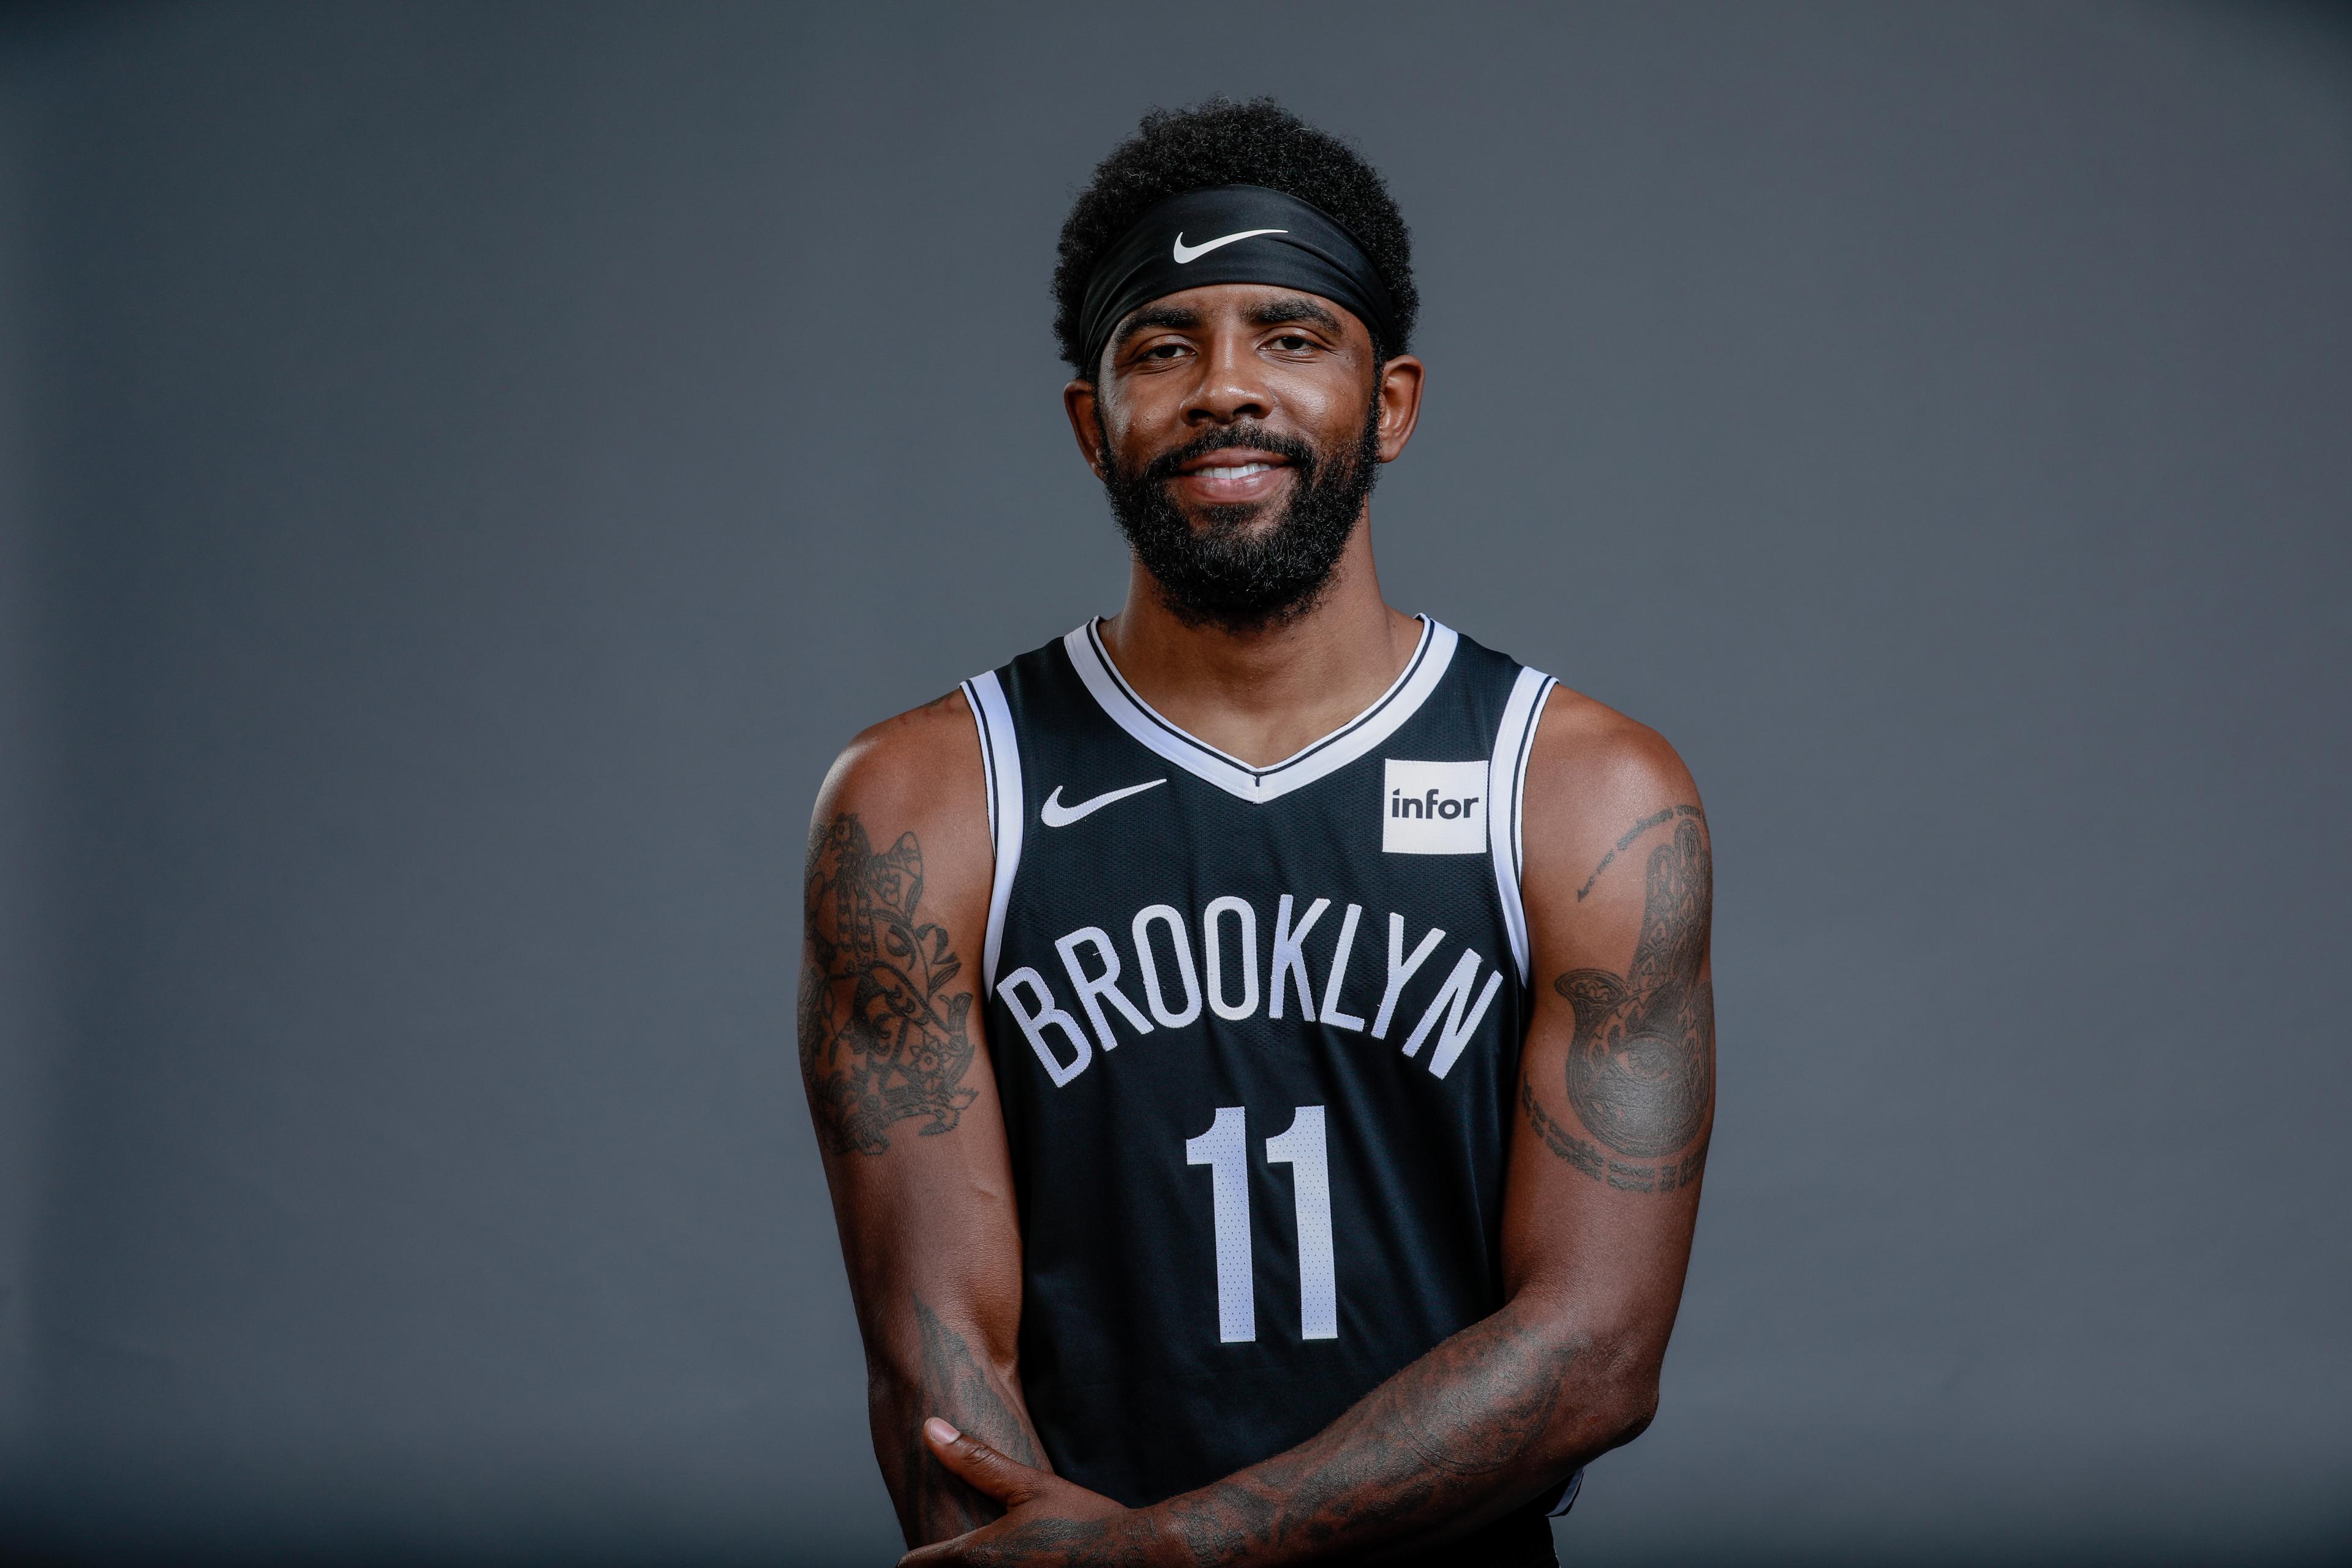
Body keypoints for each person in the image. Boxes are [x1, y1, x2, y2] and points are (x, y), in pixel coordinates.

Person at [800, 97, 1713, 1567]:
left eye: (1290, 335)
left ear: (1393, 402)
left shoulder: (1583, 794)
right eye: (1164, 346)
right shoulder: (928, 801)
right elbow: (936, 1359)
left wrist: (1170, 1555)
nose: (1227, 387)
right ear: (1093, 424)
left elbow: (1596, 1349)